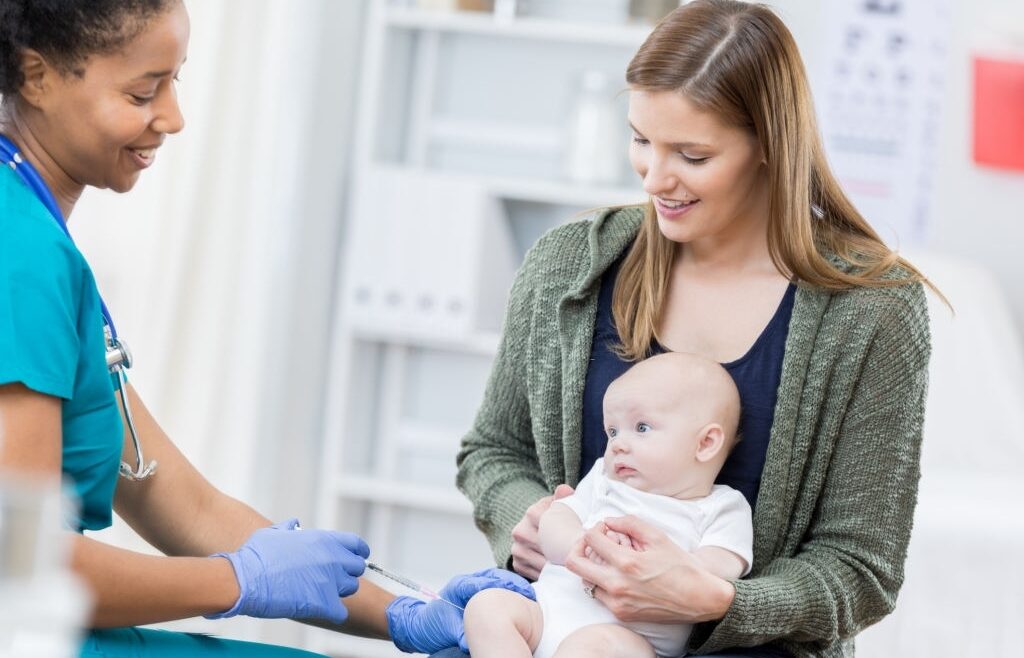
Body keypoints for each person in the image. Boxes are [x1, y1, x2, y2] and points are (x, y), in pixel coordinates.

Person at [0, 2, 532, 657]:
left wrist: (406, 611)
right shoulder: (21, 254)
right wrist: (240, 581)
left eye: (175, 82)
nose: (172, 117)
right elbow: (15, 571)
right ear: (35, 76)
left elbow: (181, 501)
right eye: (142, 92)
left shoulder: (29, 229)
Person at [453, 1, 935, 657]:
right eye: (641, 140)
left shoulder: (872, 308)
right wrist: (529, 525)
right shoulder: (568, 270)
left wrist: (714, 600)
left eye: (692, 154)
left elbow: (861, 570)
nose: (655, 177)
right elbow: (493, 452)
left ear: (769, 144)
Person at [464, 352, 754, 658]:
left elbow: (720, 569)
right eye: (612, 431)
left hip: (627, 639)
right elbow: (557, 517)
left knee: (590, 648)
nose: (617, 444)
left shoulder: (721, 507)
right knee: (487, 607)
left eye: (641, 427)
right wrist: (581, 543)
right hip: (546, 612)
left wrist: (662, 566)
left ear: (705, 443)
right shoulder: (604, 478)